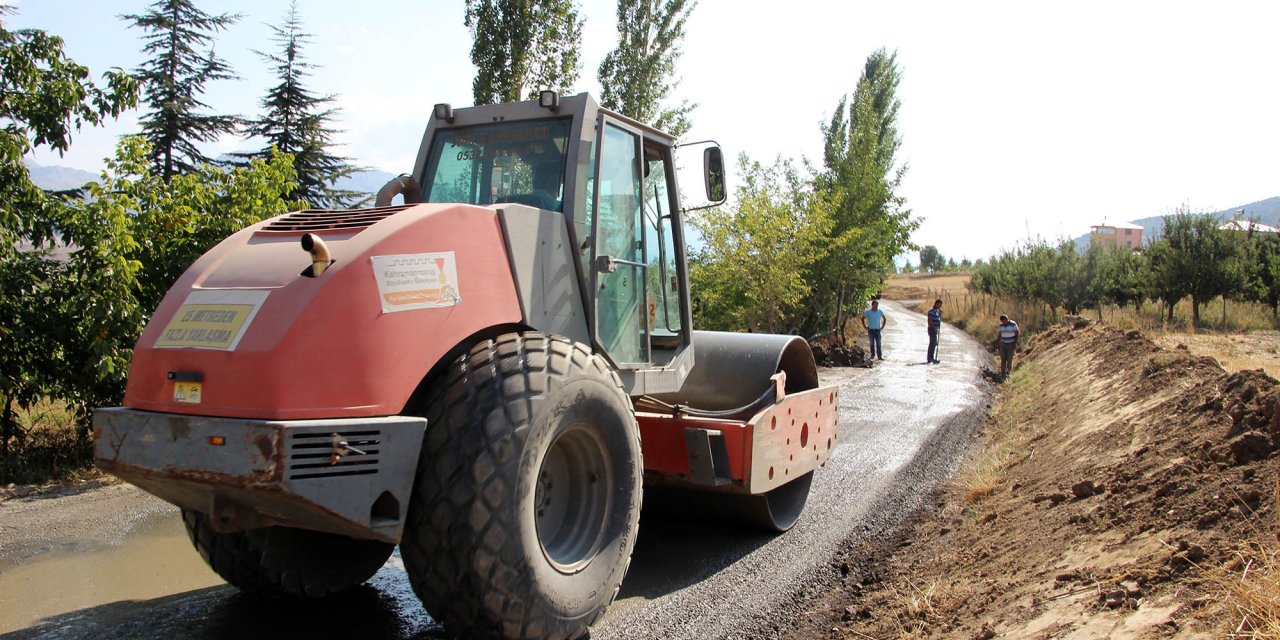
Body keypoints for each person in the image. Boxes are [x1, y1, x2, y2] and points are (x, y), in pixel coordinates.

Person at [997, 314, 1020, 380]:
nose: (1005, 322)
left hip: (1011, 344)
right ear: (1002, 321)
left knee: (1009, 360)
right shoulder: (1001, 326)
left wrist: (1014, 343)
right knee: (1003, 359)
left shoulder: (1013, 324)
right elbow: (1000, 334)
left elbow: (1017, 333)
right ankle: (1002, 373)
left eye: (1006, 320)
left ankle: (1008, 373)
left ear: (1007, 319)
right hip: (1003, 344)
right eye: (1003, 321)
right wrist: (998, 343)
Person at [926, 299, 942, 364]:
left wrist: (940, 314)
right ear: (937, 304)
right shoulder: (931, 311)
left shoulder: (937, 311)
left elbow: (938, 319)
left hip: (935, 329)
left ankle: (931, 358)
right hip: (932, 329)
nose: (940, 306)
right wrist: (934, 327)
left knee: (934, 343)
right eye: (940, 305)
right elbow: (930, 320)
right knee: (933, 343)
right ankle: (930, 358)